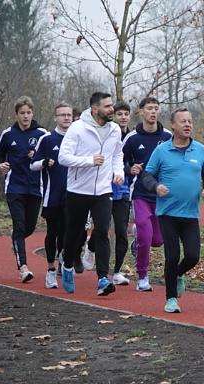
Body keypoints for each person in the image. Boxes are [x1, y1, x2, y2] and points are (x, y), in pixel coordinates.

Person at [141, 108, 204, 313]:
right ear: (173, 125)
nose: (188, 124)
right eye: (183, 121)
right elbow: (147, 175)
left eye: (190, 121)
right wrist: (156, 187)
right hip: (167, 213)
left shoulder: (199, 149)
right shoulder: (162, 150)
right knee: (172, 256)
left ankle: (179, 274)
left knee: (192, 256)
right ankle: (171, 299)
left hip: (190, 214)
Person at [58, 92, 125, 296]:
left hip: (103, 190)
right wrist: (89, 160)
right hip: (78, 189)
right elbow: (63, 157)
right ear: (95, 109)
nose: (111, 109)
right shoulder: (78, 128)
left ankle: (103, 279)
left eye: (111, 105)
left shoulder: (114, 129)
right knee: (75, 232)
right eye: (107, 106)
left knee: (103, 230)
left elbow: (117, 154)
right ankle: (67, 265)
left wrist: (118, 172)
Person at [0, 96, 48, 283]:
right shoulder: (8, 134)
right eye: (22, 113)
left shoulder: (42, 134)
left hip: (35, 187)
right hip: (14, 186)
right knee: (19, 225)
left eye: (29, 112)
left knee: (29, 227)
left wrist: (38, 155)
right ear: (16, 115)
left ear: (33, 113)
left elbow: (50, 157)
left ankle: (17, 239)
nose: (26, 116)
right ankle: (23, 267)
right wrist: (0, 165)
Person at [122, 97, 172, 292]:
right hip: (140, 193)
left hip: (162, 194)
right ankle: (142, 276)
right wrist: (129, 169)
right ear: (141, 112)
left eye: (156, 108)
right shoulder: (132, 138)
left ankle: (138, 240)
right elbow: (119, 160)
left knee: (158, 240)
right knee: (144, 230)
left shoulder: (168, 136)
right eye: (149, 108)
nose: (153, 112)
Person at [82, 100, 132, 285]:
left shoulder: (132, 137)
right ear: (113, 116)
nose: (123, 117)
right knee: (102, 228)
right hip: (104, 187)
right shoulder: (105, 134)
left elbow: (133, 162)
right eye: (119, 114)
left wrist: (127, 172)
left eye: (126, 114)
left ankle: (117, 271)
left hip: (123, 189)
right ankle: (90, 247)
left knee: (121, 230)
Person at [29, 102, 73, 288]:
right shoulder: (47, 139)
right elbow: (33, 164)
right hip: (52, 194)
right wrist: (45, 162)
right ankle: (50, 269)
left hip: (74, 195)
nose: (66, 118)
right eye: (62, 115)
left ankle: (65, 259)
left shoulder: (78, 138)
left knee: (70, 233)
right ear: (55, 118)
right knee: (53, 232)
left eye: (69, 115)